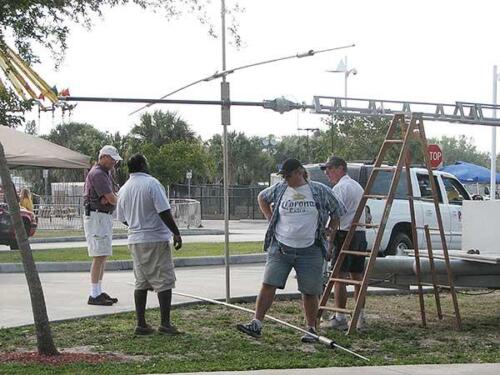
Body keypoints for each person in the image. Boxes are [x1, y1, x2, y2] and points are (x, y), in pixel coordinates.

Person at [236, 158, 345, 343]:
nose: (285, 179)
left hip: (310, 250)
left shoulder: (318, 190)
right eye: (283, 176)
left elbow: (338, 211)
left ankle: (311, 329)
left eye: (288, 176)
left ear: (299, 172)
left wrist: (330, 232)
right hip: (281, 247)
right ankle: (256, 323)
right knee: (268, 284)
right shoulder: (280, 189)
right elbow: (262, 197)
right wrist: (270, 217)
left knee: (310, 291)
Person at [116, 154, 183, 335]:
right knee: (164, 281)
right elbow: (164, 210)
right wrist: (175, 232)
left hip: (135, 240)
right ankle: (165, 323)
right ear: (143, 165)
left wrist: (137, 225)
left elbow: (122, 218)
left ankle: (141, 323)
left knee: (141, 282)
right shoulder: (152, 183)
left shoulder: (124, 189)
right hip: (155, 238)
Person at [320, 156, 367, 331]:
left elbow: (335, 215)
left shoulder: (340, 188)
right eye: (326, 169)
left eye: (330, 169)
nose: (327, 173)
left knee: (339, 277)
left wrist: (330, 243)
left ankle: (340, 317)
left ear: (341, 168)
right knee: (357, 277)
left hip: (345, 233)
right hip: (359, 234)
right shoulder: (357, 186)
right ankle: (360, 316)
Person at [83, 145, 121, 306]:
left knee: (102, 254)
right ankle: (94, 293)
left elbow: (111, 196)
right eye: (112, 159)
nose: (114, 163)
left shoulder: (105, 173)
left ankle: (98, 290)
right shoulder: (98, 174)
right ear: (104, 157)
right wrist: (110, 198)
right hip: (97, 216)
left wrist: (110, 198)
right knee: (99, 255)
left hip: (102, 216)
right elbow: (111, 198)